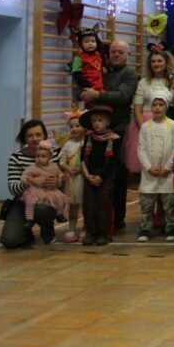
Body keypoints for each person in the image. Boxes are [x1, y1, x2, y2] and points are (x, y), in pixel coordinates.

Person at [79, 39, 137, 232]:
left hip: (118, 128)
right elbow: (85, 87)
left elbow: (123, 96)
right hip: (96, 127)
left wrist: (97, 95)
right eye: (113, 52)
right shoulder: (101, 70)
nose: (116, 55)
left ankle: (116, 220)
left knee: (116, 176)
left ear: (128, 54)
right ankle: (95, 220)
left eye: (121, 52)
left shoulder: (129, 73)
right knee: (94, 171)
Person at [0, 120, 60, 248]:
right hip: (22, 201)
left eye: (38, 134)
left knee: (41, 208)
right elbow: (13, 188)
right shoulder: (16, 158)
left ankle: (47, 226)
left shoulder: (56, 153)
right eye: (30, 135)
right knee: (9, 241)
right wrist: (30, 182)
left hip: (48, 199)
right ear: (24, 138)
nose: (35, 139)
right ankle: (26, 231)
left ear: (45, 136)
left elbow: (64, 178)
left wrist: (58, 182)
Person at [136, 90, 174, 243]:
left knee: (169, 204)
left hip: (167, 173)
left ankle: (171, 227)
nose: (157, 107)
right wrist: (149, 167)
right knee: (147, 204)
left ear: (166, 106)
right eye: (154, 105)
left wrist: (168, 166)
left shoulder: (173, 125)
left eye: (161, 104)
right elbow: (141, 149)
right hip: (150, 173)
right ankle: (145, 228)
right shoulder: (145, 127)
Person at [127, 47, 174, 175]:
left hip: (166, 122)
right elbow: (138, 109)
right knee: (147, 162)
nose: (156, 64)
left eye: (159, 61)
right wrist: (145, 130)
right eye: (153, 61)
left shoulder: (171, 81)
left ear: (166, 62)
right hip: (146, 123)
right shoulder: (143, 82)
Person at [80, 105, 121, 246]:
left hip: (106, 176)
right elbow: (82, 158)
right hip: (89, 175)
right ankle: (91, 233)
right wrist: (87, 175)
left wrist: (101, 177)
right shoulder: (89, 138)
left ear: (107, 122)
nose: (96, 124)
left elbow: (113, 162)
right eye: (94, 121)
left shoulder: (114, 139)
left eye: (100, 120)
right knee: (89, 205)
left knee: (103, 204)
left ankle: (104, 233)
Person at [20, 144, 70, 243]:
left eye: (43, 156)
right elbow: (24, 176)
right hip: (36, 190)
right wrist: (30, 179)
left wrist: (61, 177)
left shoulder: (53, 166)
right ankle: (29, 220)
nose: (39, 159)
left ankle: (59, 215)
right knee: (30, 201)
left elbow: (59, 174)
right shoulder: (32, 167)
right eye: (37, 156)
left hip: (50, 190)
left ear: (49, 157)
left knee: (59, 200)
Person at [58, 111, 86, 243]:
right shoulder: (68, 144)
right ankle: (72, 229)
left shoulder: (86, 142)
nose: (74, 129)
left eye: (77, 126)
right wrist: (68, 169)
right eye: (71, 126)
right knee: (73, 206)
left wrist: (81, 169)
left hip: (83, 178)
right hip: (72, 180)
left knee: (86, 206)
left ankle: (86, 228)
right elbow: (62, 161)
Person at [70, 25, 105, 96]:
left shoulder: (98, 54)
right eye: (86, 41)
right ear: (81, 44)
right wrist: (87, 86)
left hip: (100, 87)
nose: (90, 43)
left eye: (93, 41)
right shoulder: (78, 58)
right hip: (88, 88)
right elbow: (76, 74)